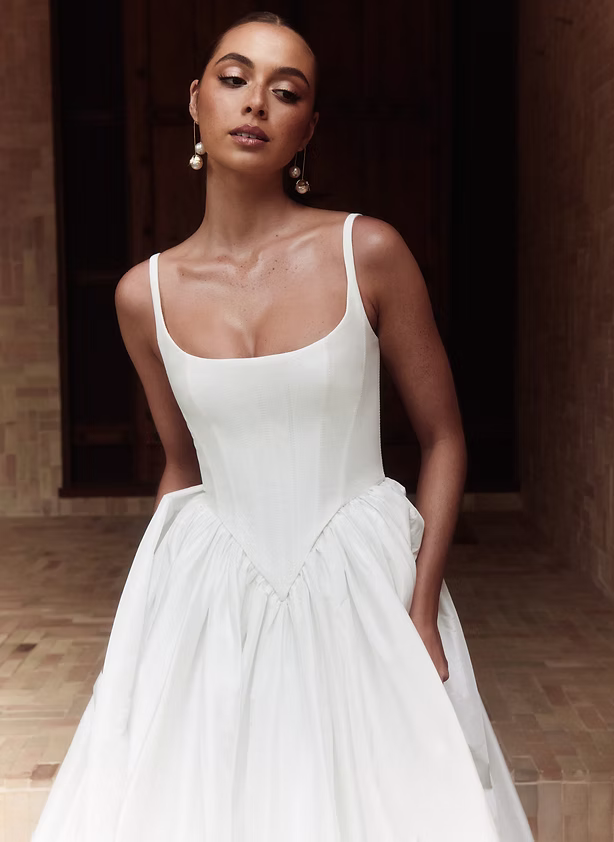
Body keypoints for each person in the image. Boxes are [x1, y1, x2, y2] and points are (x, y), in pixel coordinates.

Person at [32, 11, 534, 842]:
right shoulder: (141, 296)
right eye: (235, 79)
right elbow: (182, 466)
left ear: (308, 128)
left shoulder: (368, 252)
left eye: (286, 91)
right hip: (211, 588)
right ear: (195, 101)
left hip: (363, 584)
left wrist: (418, 608)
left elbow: (444, 439)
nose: (256, 102)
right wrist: (152, 615)